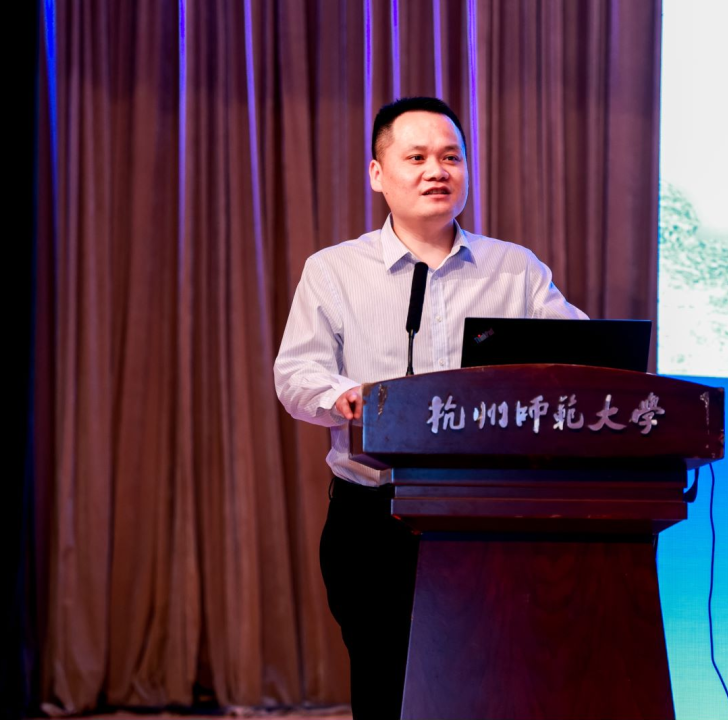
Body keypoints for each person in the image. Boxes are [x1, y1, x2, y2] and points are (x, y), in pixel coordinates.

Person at [273, 96, 586, 719]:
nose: (436, 171)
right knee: (388, 687)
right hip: (376, 516)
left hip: (491, 516)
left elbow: (581, 359)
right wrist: (344, 396)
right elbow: (296, 374)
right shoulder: (334, 270)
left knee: (488, 688)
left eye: (451, 157)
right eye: (415, 158)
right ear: (377, 173)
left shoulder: (514, 269)